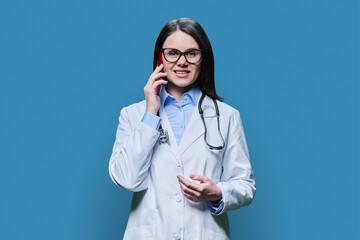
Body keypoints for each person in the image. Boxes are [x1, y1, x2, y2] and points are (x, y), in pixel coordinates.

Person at [109, 18, 255, 240]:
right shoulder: (133, 115)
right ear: (160, 58)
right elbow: (127, 179)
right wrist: (150, 113)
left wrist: (217, 193)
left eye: (191, 53)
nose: (182, 62)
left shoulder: (227, 117)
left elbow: (245, 185)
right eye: (172, 53)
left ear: (203, 59)